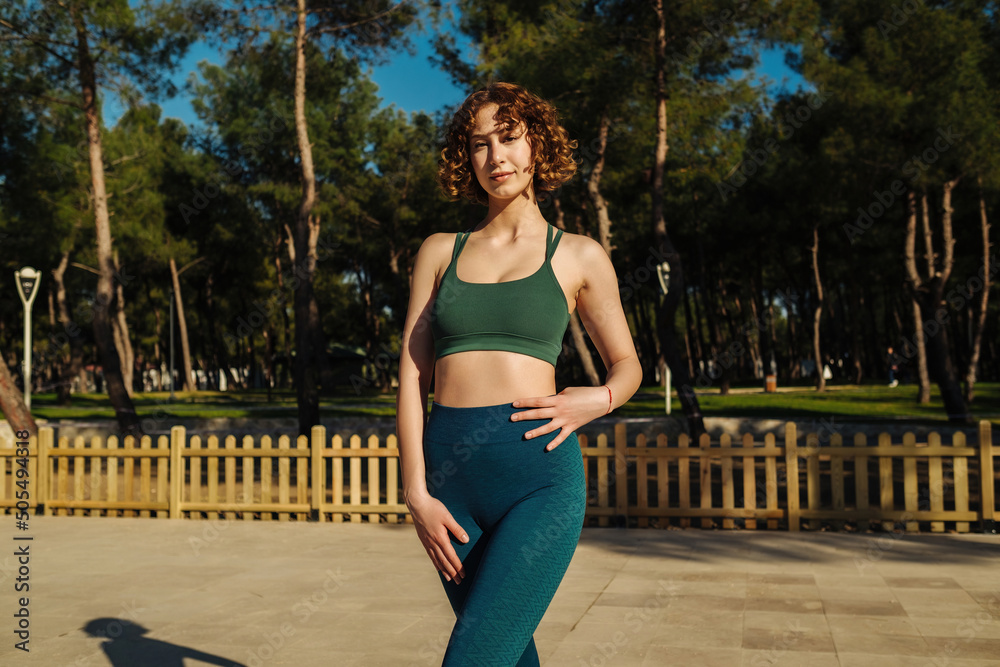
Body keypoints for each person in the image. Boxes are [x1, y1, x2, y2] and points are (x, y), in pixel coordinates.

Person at [395, 81, 642, 667]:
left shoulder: (578, 255)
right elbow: (410, 377)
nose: (495, 157)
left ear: (537, 147)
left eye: (509, 139)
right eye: (479, 145)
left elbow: (629, 365)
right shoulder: (439, 251)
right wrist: (415, 492)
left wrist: (596, 401)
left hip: (538, 478)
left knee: (475, 656)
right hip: (450, 484)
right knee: (509, 652)